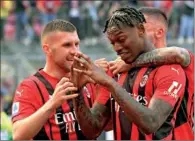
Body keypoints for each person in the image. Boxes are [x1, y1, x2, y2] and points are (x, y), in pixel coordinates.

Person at [72, 7, 189, 140]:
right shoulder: (114, 72)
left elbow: (150, 123)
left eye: (121, 39)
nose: (116, 48)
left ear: (140, 30)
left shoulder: (170, 70)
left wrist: (109, 83)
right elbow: (92, 130)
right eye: (112, 43)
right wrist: (77, 91)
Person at [108, 7, 194, 139]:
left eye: (140, 28)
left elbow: (178, 54)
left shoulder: (181, 64)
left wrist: (130, 63)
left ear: (159, 32)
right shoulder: (123, 66)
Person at [11, 19, 100, 140]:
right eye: (67, 45)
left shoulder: (87, 80)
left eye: (77, 44)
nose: (75, 51)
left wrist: (106, 84)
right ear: (47, 49)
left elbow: (109, 126)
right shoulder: (30, 87)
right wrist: (52, 104)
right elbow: (18, 135)